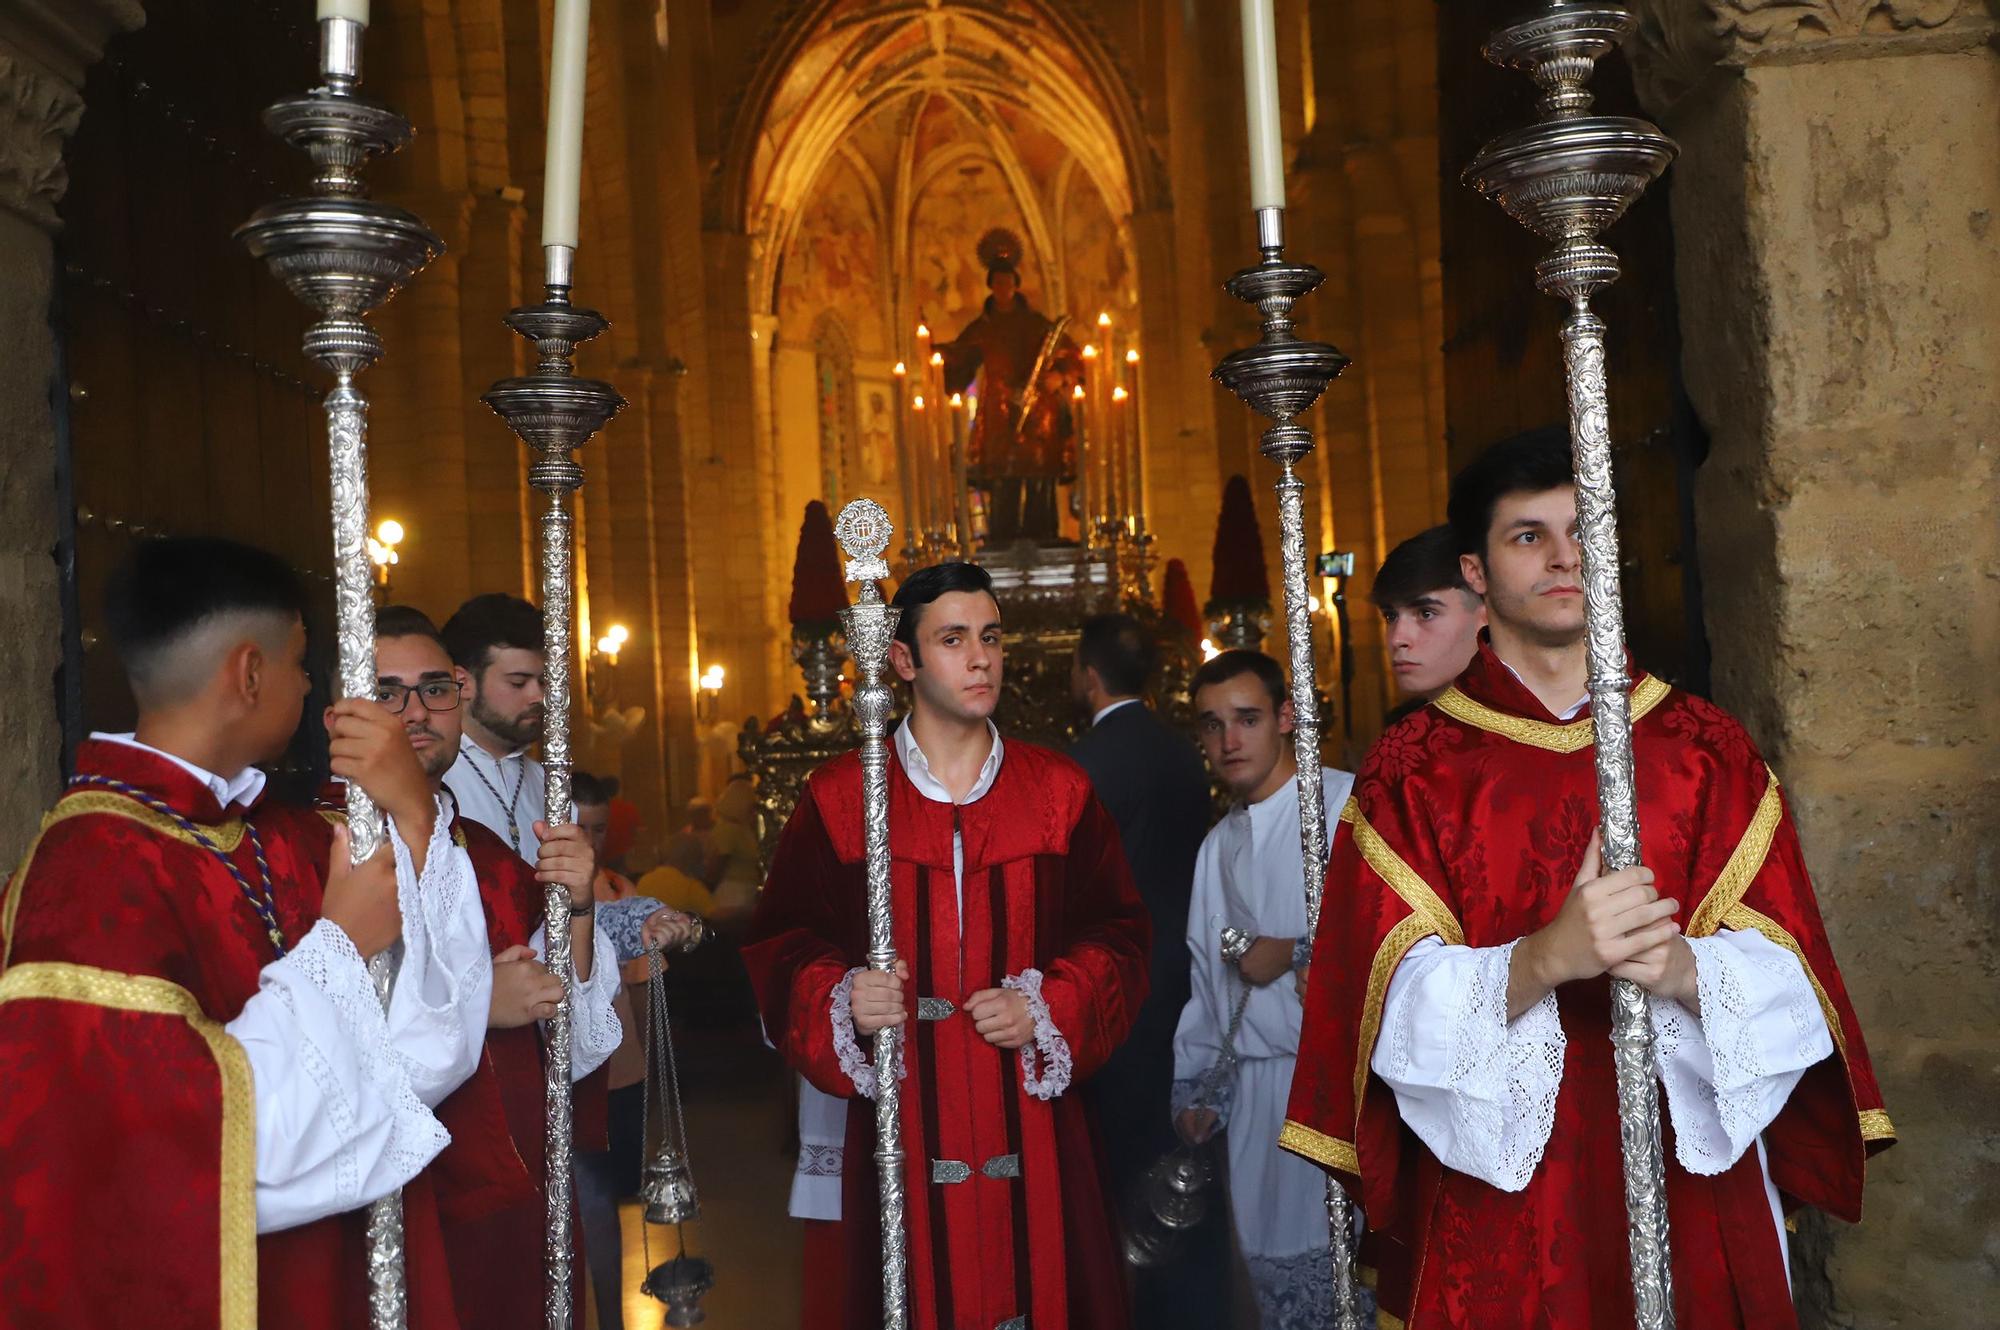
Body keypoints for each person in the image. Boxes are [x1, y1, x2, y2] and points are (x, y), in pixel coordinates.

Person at [1283, 430, 1895, 1328]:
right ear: (1477, 573)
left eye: (1584, 527)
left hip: (1690, 1182)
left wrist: (1683, 969)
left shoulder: (1705, 752)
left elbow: (1798, 982)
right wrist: (1543, 958)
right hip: (1500, 1194)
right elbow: (1378, 1011)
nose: (1565, 555)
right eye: (1528, 535)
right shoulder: (1414, 771)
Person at [0, 537, 493, 1328]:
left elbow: (426, 1053)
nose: (309, 686)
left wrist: (414, 812)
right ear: (249, 673)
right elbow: (173, 1145)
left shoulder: (280, 839)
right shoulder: (88, 874)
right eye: (301, 663)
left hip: (328, 1275)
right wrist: (338, 946)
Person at [744, 561, 1151, 1330]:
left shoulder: (1059, 791)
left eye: (991, 638)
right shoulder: (840, 797)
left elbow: (1122, 935)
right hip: (898, 1126)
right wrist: (842, 994)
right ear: (903, 660)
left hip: (1035, 1130)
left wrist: (1050, 1003)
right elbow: (784, 944)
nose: (981, 659)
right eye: (954, 639)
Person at [368, 606, 649, 1329]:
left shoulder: (488, 858)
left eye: (433, 690)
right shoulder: (306, 850)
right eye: (387, 693)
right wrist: (477, 1005)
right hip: (390, 1197)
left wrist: (580, 904)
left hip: (519, 1174)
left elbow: (576, 1034)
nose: (417, 711)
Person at [1171, 650, 1355, 1329]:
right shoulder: (1216, 847)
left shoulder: (1342, 806)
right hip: (1255, 1102)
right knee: (1275, 1293)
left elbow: (1404, 941)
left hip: (1335, 1089)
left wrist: (1297, 951)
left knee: (1347, 1283)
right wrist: (1198, 1092)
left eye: (1247, 719)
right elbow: (1204, 984)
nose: (1229, 742)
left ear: (1284, 717)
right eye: (1212, 725)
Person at [1067, 612, 1232, 1326]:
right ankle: (1192, 1305)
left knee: (1125, 1154)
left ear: (1088, 675)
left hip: (1118, 983)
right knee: (1185, 1147)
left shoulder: (1087, 762)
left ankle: (1130, 1303)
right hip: (1187, 976)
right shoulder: (1182, 751)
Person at [940, 230, 1083, 544]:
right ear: (991, 285)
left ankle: (1043, 535)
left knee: (1038, 476)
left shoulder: (1037, 325)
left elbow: (1071, 354)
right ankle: (1002, 536)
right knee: (1003, 476)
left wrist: (1059, 377)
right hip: (999, 414)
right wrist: (936, 355)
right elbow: (960, 354)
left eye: (1008, 282)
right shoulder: (983, 329)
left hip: (1037, 413)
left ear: (1016, 285)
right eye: (997, 282)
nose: (1003, 288)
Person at [442, 593, 548, 863]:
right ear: (463, 682)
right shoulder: (432, 777)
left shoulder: (550, 784)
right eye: (518, 682)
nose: (538, 696)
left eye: (543, 682)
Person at [1373, 523, 1485, 715]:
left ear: (1487, 616)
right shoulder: (1401, 737)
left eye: (1426, 613)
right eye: (1390, 616)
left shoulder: (1532, 731)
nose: (1397, 639)